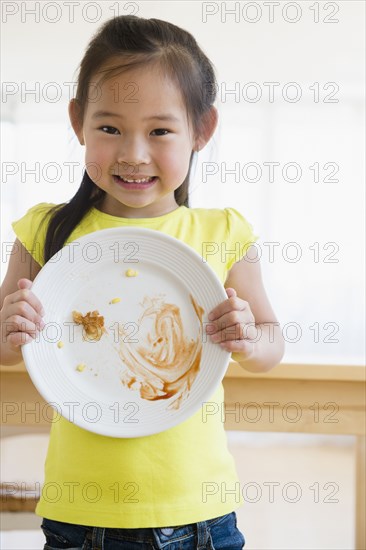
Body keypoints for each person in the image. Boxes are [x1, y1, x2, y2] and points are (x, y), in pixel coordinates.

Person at [0, 15, 285, 550]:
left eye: (159, 130)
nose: (133, 153)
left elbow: (271, 345)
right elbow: (5, 349)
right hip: (80, 513)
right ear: (78, 122)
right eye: (109, 128)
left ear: (202, 129)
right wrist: (9, 328)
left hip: (198, 509)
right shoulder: (44, 231)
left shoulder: (223, 231)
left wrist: (250, 336)